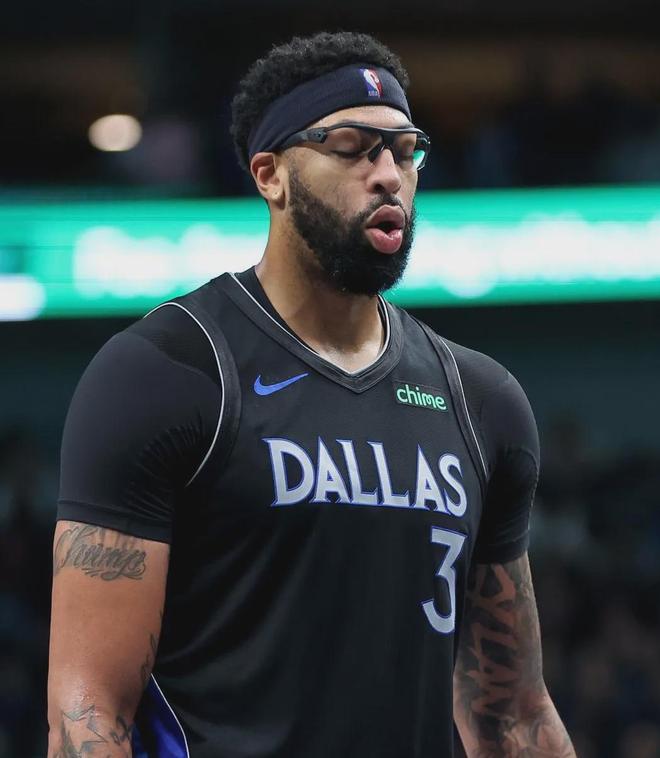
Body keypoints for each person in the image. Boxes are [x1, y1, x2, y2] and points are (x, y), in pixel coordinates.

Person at [47, 31, 576, 758]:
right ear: (271, 175)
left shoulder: (481, 401)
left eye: (405, 152)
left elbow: (511, 714)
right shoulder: (168, 371)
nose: (388, 175)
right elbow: (88, 712)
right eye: (352, 147)